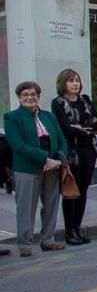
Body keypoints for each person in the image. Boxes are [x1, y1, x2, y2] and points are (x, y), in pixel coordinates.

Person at [4, 81, 68, 257]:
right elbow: (18, 145)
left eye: (33, 94)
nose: (30, 98)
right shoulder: (12, 117)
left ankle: (48, 240)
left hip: (53, 167)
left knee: (51, 205)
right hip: (27, 168)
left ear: (39, 97)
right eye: (25, 95)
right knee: (26, 207)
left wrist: (59, 157)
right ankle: (25, 244)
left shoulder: (49, 116)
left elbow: (62, 139)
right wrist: (44, 158)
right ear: (19, 97)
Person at [52, 68, 97, 245]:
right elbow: (65, 128)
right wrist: (84, 128)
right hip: (72, 152)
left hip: (88, 149)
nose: (75, 84)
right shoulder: (57, 103)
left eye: (77, 80)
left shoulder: (85, 100)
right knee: (71, 191)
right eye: (71, 80)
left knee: (83, 189)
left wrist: (80, 127)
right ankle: (69, 230)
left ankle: (77, 227)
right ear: (63, 83)